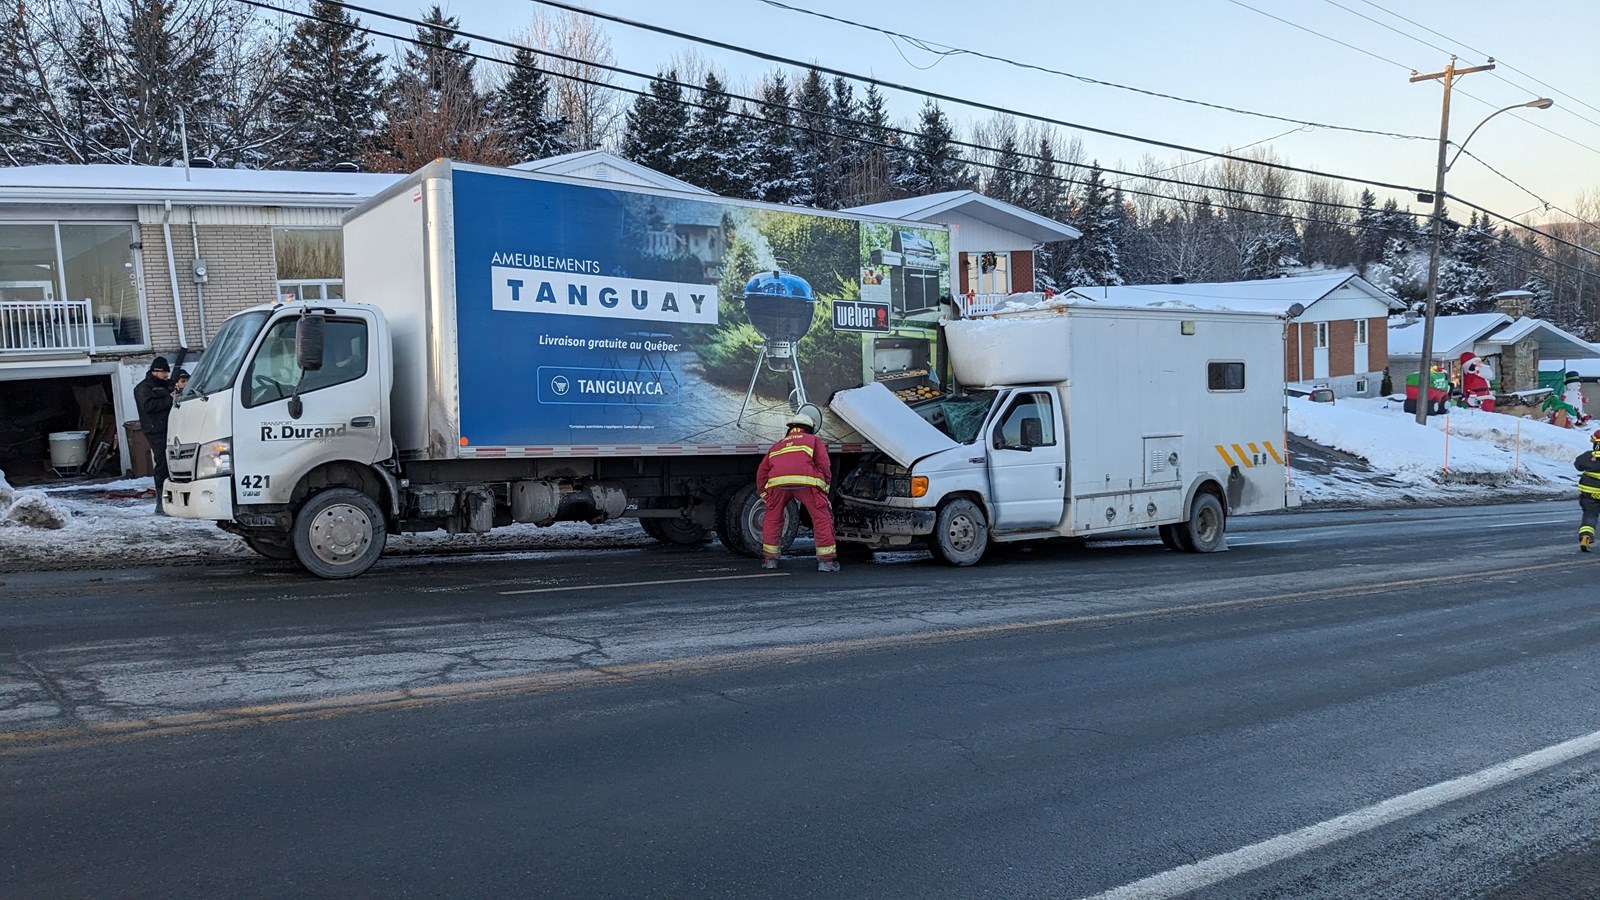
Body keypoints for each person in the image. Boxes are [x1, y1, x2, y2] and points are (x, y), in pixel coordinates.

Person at [755, 412, 839, 572]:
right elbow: (824, 464)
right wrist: (825, 489)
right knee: (821, 518)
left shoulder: (778, 445)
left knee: (773, 519)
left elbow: (762, 471)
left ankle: (769, 561)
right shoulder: (814, 440)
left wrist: (765, 495)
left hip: (778, 485)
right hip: (807, 483)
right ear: (809, 428)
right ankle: (826, 563)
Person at [134, 356, 175, 512]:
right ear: (155, 371)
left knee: (171, 462)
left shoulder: (166, 385)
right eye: (164, 372)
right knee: (162, 463)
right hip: (155, 431)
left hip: (170, 428)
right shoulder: (144, 388)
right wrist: (169, 400)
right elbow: (148, 406)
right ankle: (161, 501)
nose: (167, 375)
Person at [1575, 429, 1600, 552]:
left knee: (1590, 514)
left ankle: (1585, 537)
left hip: (1589, 494)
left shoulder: (1588, 456)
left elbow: (1578, 465)